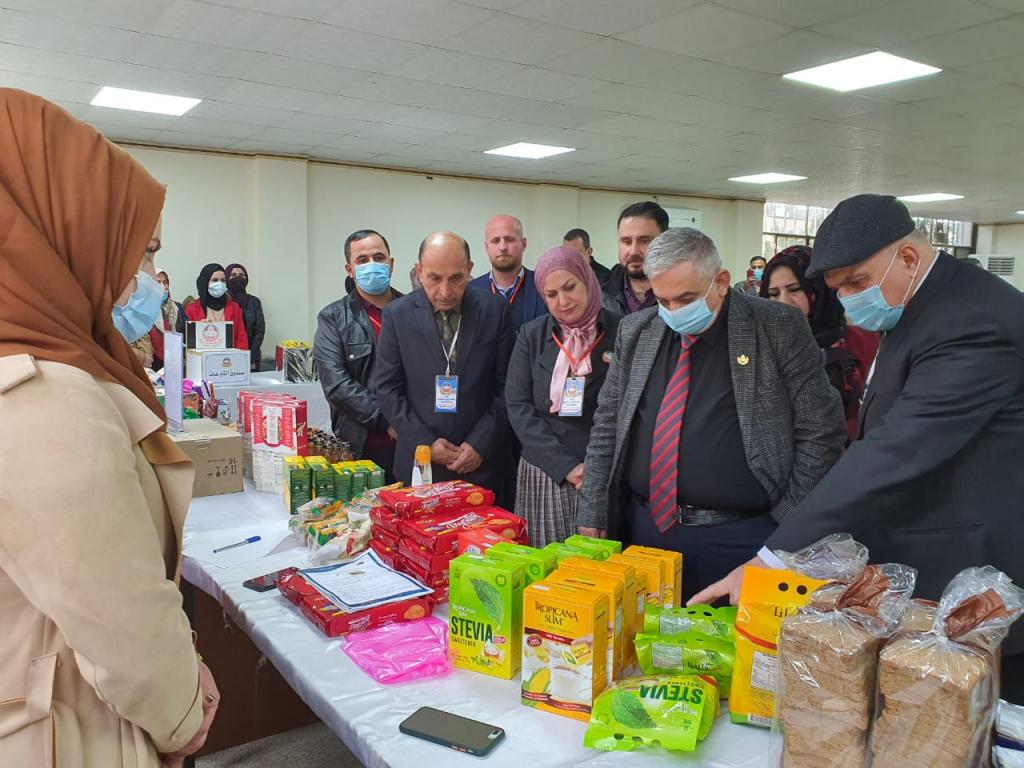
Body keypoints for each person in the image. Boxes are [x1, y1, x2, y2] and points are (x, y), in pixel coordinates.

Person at [691, 194, 1024, 699]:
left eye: (857, 282)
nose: (848, 298)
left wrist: (776, 557)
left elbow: (898, 446)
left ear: (907, 257)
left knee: (972, 718)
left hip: (976, 575)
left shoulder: (973, 320)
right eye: (838, 288)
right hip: (926, 551)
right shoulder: (917, 305)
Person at [0, 88, 218, 767]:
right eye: (141, 251)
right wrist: (184, 710)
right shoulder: (41, 396)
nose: (151, 279)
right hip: (72, 731)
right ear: (64, 237)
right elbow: (119, 620)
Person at [579, 228, 846, 600]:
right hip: (645, 532)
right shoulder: (637, 330)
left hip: (741, 538)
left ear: (720, 281)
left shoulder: (777, 327)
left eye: (686, 298)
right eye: (663, 300)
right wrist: (593, 511)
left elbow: (820, 432)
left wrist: (785, 527)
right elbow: (608, 425)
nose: (674, 311)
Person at [374, 231, 513, 492]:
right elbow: (387, 388)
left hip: (482, 466)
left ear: (469, 269)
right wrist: (425, 443)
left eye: (456, 278)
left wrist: (480, 444)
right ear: (419, 272)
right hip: (420, 465)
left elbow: (508, 387)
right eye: (434, 278)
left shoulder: (495, 310)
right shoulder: (397, 315)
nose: (445, 291)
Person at [506, 245, 621, 546]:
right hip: (545, 470)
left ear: (588, 281)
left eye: (570, 287)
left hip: (604, 472)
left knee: (601, 564)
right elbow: (518, 407)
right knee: (548, 564)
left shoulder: (622, 330)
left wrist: (593, 470)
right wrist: (566, 466)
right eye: (552, 294)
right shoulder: (531, 335)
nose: (563, 301)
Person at [761, 245, 879, 441]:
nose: (783, 302)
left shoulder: (863, 341)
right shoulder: (762, 349)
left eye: (795, 289)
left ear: (819, 290)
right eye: (773, 294)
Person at [314, 230, 402, 481]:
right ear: (350, 270)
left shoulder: (415, 310)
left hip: (413, 444)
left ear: (391, 264)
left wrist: (409, 423)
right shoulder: (333, 318)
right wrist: (387, 421)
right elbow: (337, 385)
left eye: (379, 257)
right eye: (362, 260)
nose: (372, 264)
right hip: (361, 448)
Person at [470, 214, 546, 331]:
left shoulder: (544, 286)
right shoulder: (470, 292)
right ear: (486, 247)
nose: (503, 247)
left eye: (509, 240)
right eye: (495, 241)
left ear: (524, 244)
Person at [602, 201, 668, 315]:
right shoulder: (600, 299)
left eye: (644, 241)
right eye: (626, 241)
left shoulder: (685, 297)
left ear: (665, 241)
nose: (633, 252)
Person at [183, 263, 249, 350]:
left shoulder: (234, 308)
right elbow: (187, 343)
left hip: (230, 357)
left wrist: (239, 356)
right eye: (215, 280)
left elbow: (241, 339)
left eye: (223, 280)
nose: (220, 284)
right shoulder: (191, 310)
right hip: (202, 357)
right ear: (205, 282)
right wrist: (198, 329)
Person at [225, 263, 266, 371]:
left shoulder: (254, 302)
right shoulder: (222, 302)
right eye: (233, 275)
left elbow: (259, 330)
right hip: (226, 357)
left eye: (241, 275)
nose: (238, 278)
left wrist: (249, 355)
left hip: (252, 356)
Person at [150, 268, 186, 371]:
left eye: (165, 282)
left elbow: (187, 330)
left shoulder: (176, 308)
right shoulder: (142, 311)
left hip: (175, 364)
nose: (164, 286)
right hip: (152, 366)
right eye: (158, 282)